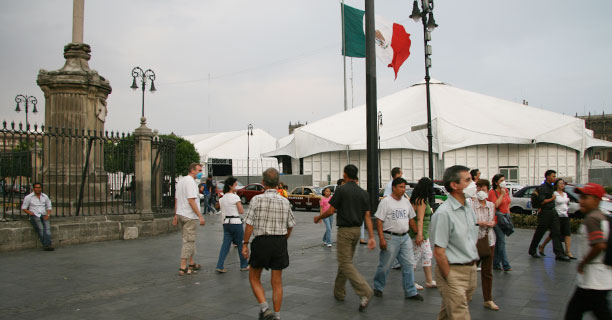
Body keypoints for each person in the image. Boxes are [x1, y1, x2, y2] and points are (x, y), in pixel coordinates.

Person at [314, 164, 376, 312]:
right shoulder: (363, 193)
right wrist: (372, 236)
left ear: (345, 175)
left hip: (345, 231)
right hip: (356, 232)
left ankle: (364, 290)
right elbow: (367, 216)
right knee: (345, 261)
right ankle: (339, 292)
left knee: (345, 262)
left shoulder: (341, 190)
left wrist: (318, 217)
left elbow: (331, 211)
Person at [242, 168, 296, 320]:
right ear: (278, 183)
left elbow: (249, 224)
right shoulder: (285, 202)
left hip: (261, 242)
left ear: (263, 183)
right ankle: (277, 316)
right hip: (279, 241)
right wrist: (284, 238)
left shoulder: (256, 200)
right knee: (277, 282)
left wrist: (245, 244)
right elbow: (291, 224)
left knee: (254, 276)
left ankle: (265, 308)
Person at [430, 165, 479, 320]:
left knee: (449, 311)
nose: (473, 184)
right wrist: (449, 278)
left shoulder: (468, 208)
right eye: (468, 180)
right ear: (454, 185)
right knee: (460, 314)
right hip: (453, 272)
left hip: (470, 270)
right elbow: (439, 251)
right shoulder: (444, 213)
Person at [565, 183, 612, 319]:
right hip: (598, 279)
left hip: (594, 280)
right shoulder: (602, 217)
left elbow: (599, 245)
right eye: (581, 197)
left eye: (586, 197)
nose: (581, 201)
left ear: (597, 200)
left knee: (573, 313)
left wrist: (583, 263)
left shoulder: (592, 219)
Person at [372, 177, 423, 301]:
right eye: (400, 187)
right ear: (394, 188)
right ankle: (378, 287)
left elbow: (411, 218)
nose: (403, 189)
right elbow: (379, 221)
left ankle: (410, 291)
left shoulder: (406, 202)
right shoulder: (386, 202)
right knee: (385, 265)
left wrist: (417, 233)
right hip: (390, 237)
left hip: (404, 237)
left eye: (404, 187)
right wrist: (382, 239)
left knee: (409, 264)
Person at [528, 170, 570, 261]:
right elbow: (541, 201)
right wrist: (552, 198)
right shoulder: (543, 187)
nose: (554, 178)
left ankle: (559, 254)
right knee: (540, 232)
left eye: (555, 176)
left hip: (552, 212)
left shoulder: (551, 187)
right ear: (547, 177)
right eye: (553, 176)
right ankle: (532, 250)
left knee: (556, 232)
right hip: (545, 212)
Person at [172, 163, 206, 276]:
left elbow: (177, 199)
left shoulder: (181, 181)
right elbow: (191, 200)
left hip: (181, 213)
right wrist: (200, 215)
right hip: (189, 215)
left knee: (188, 239)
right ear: (192, 170)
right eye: (199, 170)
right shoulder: (191, 182)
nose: (201, 172)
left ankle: (191, 263)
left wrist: (176, 215)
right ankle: (183, 267)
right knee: (189, 241)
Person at [473, 179, 499, 311]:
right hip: (475, 240)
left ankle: (488, 299)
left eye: (483, 189)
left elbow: (493, 220)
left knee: (487, 272)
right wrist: (479, 223)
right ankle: (467, 293)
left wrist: (492, 224)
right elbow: (469, 221)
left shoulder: (491, 205)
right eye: (479, 189)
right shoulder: (471, 204)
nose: (481, 191)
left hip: (489, 239)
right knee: (471, 270)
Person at [215, 177, 249, 273]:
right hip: (236, 223)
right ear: (231, 186)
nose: (237, 187)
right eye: (235, 185)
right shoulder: (235, 197)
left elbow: (217, 206)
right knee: (240, 244)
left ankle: (220, 265)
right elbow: (241, 210)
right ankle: (244, 265)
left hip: (226, 223)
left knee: (225, 245)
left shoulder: (222, 198)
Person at [410, 177, 437, 290]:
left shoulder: (416, 199)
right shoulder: (421, 201)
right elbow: (419, 219)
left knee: (427, 255)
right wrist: (419, 234)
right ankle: (411, 282)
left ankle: (429, 280)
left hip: (422, 233)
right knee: (415, 257)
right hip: (420, 234)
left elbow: (411, 218)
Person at [539, 178, 576, 259]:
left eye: (563, 183)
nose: (562, 185)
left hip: (565, 215)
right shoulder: (554, 194)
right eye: (560, 183)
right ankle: (542, 246)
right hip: (556, 216)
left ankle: (568, 251)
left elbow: (567, 203)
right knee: (554, 234)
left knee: (567, 233)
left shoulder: (565, 194)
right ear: (556, 185)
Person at [488, 174, 513, 271]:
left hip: (505, 217)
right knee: (501, 240)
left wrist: (508, 212)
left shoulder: (506, 190)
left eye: (504, 179)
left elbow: (508, 202)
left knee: (499, 241)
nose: (503, 182)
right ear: (496, 182)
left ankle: (496, 263)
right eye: (501, 180)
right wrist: (501, 194)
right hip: (497, 218)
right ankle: (506, 264)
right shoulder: (492, 192)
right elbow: (495, 205)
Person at [21, 182, 54, 251]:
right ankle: (48, 245)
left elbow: (49, 206)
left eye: (39, 187)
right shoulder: (28, 197)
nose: (38, 189)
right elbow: (24, 208)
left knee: (47, 229)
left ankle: (47, 245)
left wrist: (48, 214)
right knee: (41, 229)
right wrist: (31, 213)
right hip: (35, 215)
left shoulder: (45, 196)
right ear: (33, 189)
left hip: (44, 214)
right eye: (36, 187)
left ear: (41, 188)